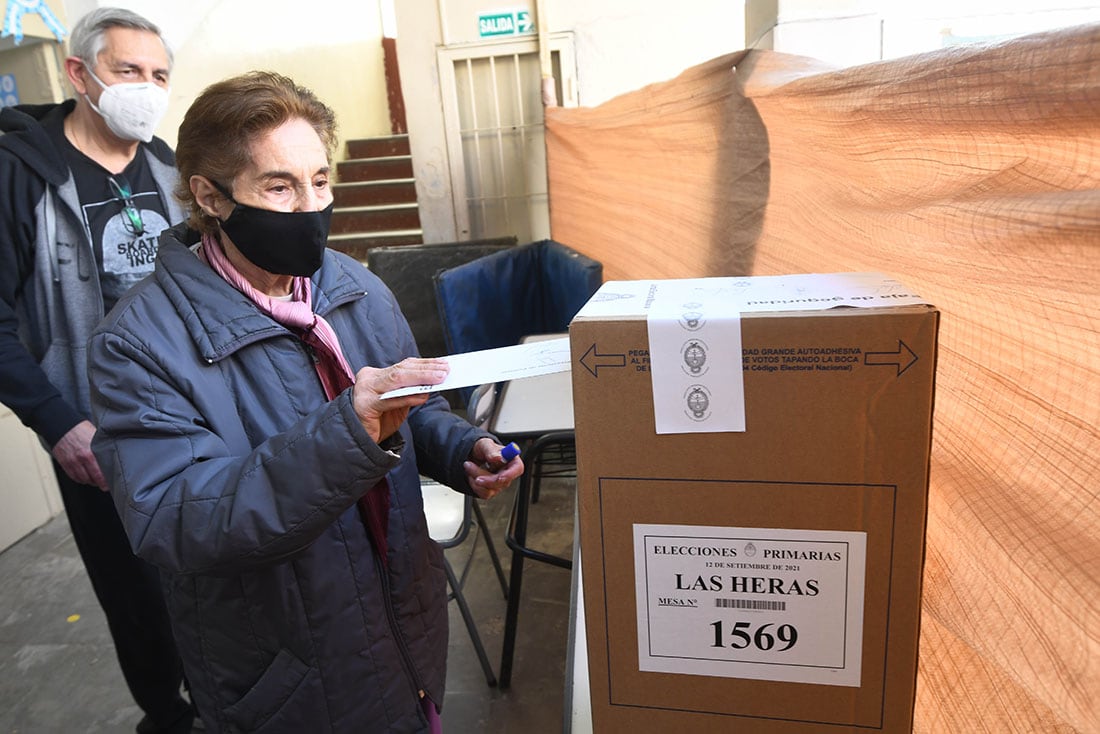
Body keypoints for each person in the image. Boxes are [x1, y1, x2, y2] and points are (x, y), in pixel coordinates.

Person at [86, 71, 524, 734]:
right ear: (209, 196)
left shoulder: (353, 286)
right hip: (290, 675)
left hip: (403, 634)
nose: (310, 206)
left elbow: (410, 409)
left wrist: (460, 447)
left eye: (320, 181)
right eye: (279, 186)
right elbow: (175, 519)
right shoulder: (138, 344)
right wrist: (349, 431)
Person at [0, 8, 195, 733]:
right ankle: (166, 713)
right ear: (81, 75)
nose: (146, 89)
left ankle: (223, 697)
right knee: (133, 590)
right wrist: (57, 425)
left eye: (159, 76)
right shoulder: (21, 177)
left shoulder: (174, 169)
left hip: (192, 414)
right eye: (128, 71)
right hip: (94, 432)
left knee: (213, 567)